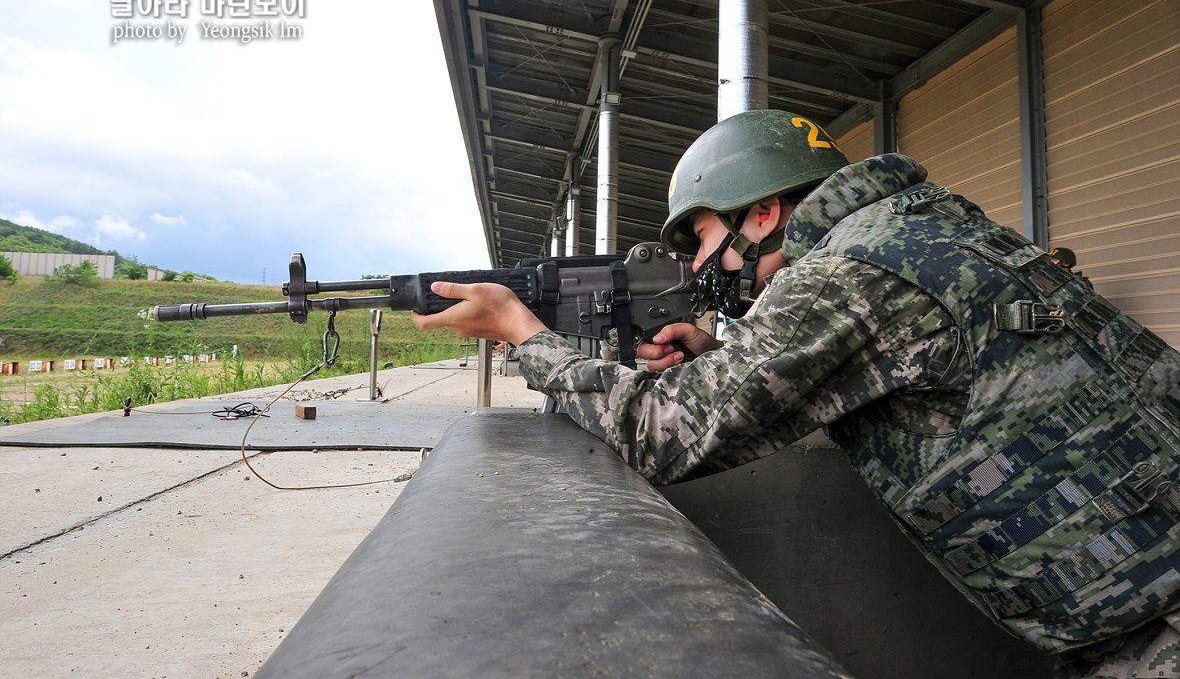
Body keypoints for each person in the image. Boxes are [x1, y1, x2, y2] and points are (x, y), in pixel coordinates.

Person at [412, 109, 1180, 678]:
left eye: (705, 237)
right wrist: (717, 352)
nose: (705, 263)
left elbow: (663, 433)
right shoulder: (919, 228)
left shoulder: (841, 275)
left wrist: (520, 331)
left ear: (765, 212)